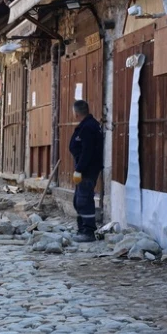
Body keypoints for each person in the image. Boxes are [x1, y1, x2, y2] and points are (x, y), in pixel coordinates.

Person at [69, 100, 104, 243]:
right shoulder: (87, 125)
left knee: (84, 200)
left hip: (87, 169)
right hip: (85, 168)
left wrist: (79, 169)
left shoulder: (89, 127)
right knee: (78, 200)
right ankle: (82, 228)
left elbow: (87, 151)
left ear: (76, 113)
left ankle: (89, 231)